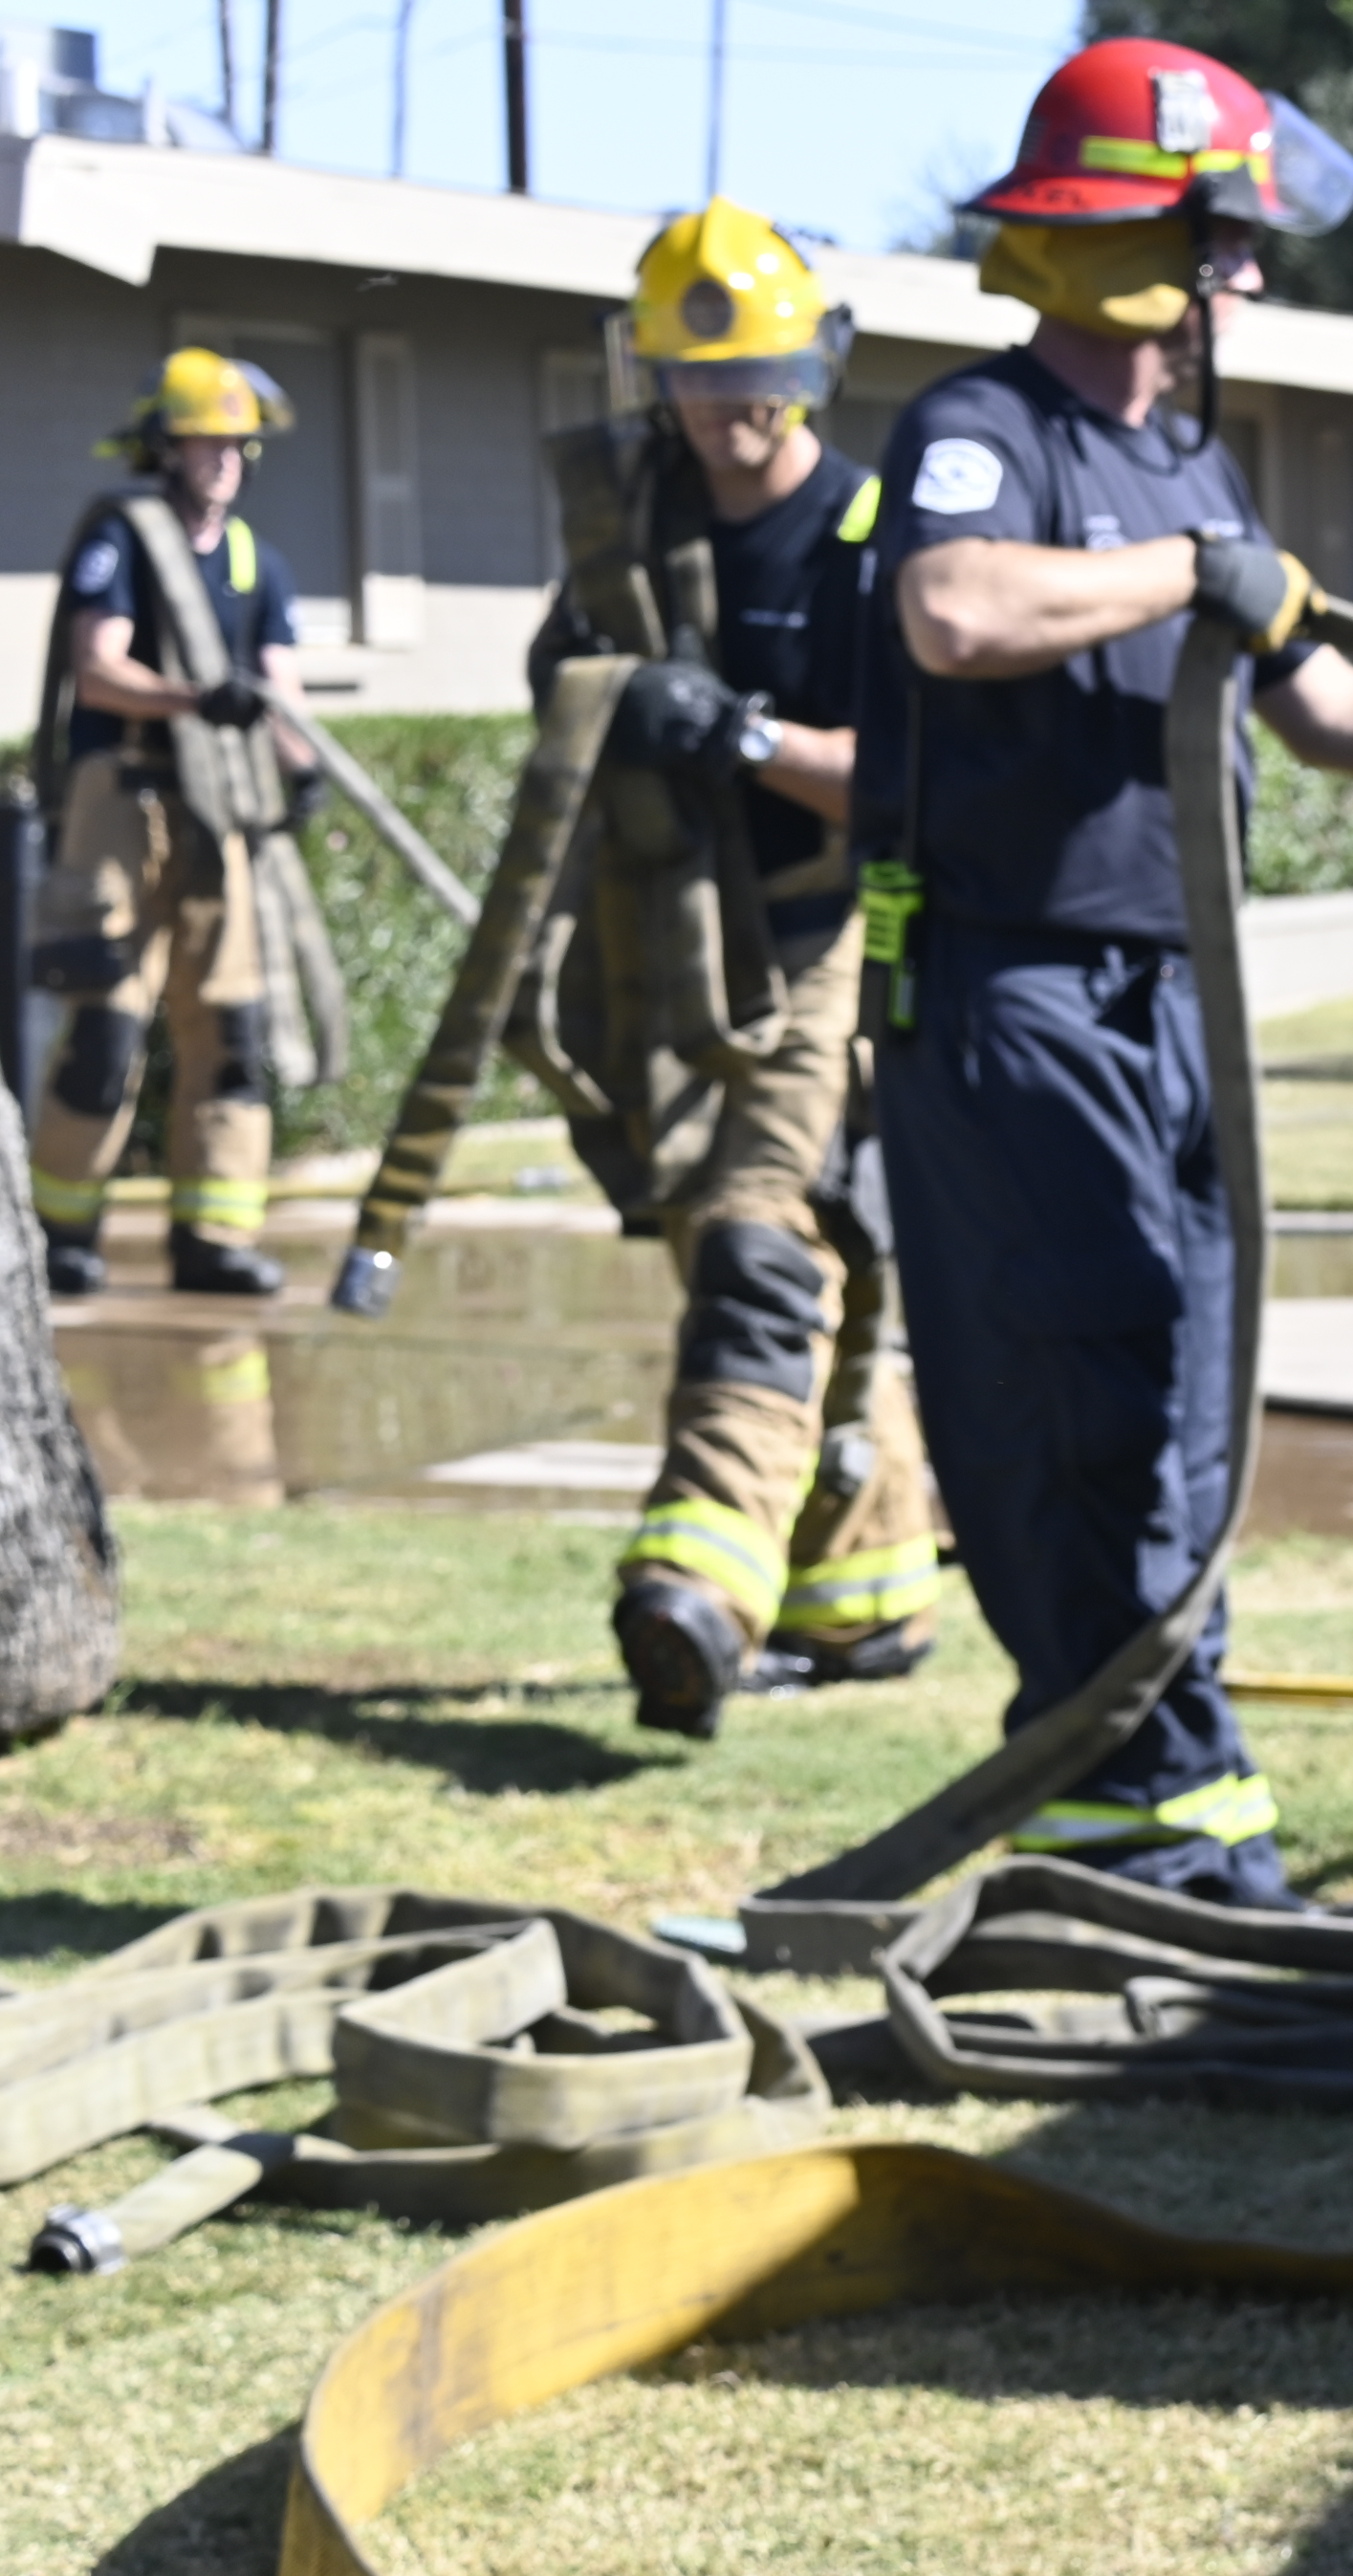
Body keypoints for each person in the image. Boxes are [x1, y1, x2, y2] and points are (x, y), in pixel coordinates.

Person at [860, 36, 1353, 1906]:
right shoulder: (985, 429)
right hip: (1016, 993)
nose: (1247, 278)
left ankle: (1169, 1802)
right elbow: (952, 606)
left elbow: (1330, 705)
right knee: (1085, 1381)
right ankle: (1141, 1799)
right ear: (1136, 246)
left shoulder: (1186, 456)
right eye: (1224, 242)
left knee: (1183, 1394)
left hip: (1169, 998)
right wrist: (1186, 570)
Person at [510, 199, 949, 1737]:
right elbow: (560, 678)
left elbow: (912, 782)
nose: (720, 406)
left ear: (815, 367)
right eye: (690, 376)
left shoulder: (871, 539)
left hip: (831, 937)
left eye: (751, 373)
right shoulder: (634, 530)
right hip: (672, 942)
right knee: (820, 1244)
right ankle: (867, 1593)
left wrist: (745, 740)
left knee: (756, 1234)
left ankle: (694, 1581)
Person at [29, 349, 333, 1299]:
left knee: (233, 1026)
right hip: (124, 801)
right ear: (163, 448)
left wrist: (302, 766)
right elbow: (98, 668)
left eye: (237, 445)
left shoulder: (255, 561)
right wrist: (196, 700)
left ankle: (214, 1237)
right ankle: (62, 1229)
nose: (225, 461)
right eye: (206, 443)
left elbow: (278, 684)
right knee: (106, 1024)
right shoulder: (123, 539)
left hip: (219, 809)